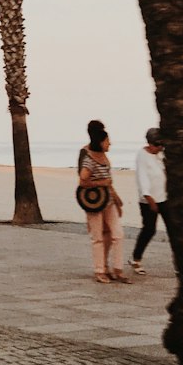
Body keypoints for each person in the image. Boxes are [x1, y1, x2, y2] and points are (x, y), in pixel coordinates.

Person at [79, 120, 128, 284]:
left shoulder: (103, 155)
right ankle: (100, 270)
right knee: (98, 237)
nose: (110, 143)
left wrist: (116, 199)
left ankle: (117, 269)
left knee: (117, 234)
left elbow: (109, 179)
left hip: (108, 200)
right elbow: (83, 181)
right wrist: (102, 184)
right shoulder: (86, 155)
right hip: (94, 202)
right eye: (107, 140)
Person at [131, 127, 172, 275]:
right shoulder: (142, 156)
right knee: (149, 230)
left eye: (162, 145)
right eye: (157, 145)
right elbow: (142, 178)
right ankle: (136, 259)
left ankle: (179, 263)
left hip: (164, 198)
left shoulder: (159, 154)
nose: (160, 147)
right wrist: (149, 198)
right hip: (149, 201)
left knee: (173, 229)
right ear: (149, 143)